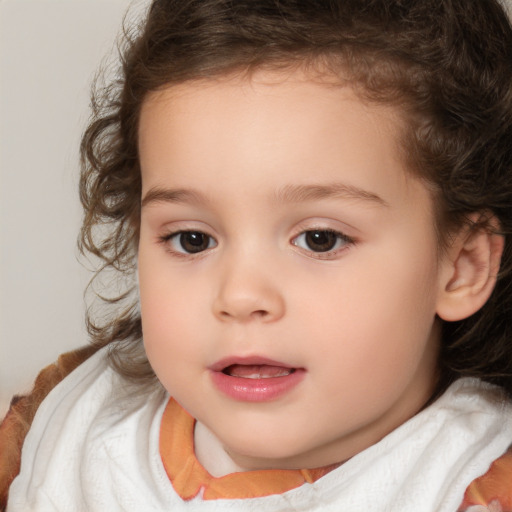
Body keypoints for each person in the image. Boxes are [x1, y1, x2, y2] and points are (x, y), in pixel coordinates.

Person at [2, 0, 512, 510]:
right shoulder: (66, 422)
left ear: (462, 266)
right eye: (192, 239)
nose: (240, 296)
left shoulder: (475, 483)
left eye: (320, 239)